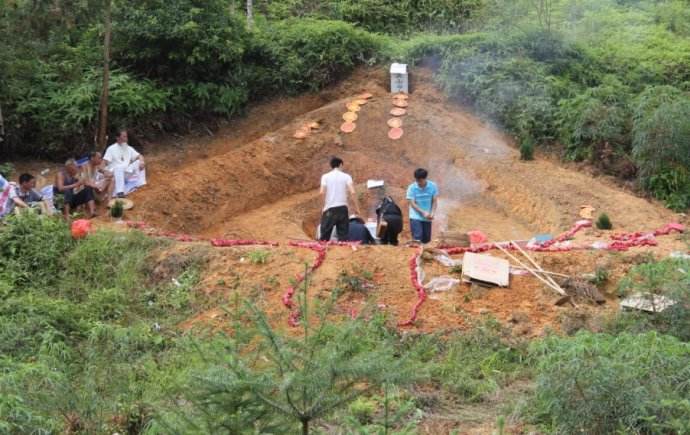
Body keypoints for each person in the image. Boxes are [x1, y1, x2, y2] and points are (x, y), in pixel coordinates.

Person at [319, 156, 361, 241]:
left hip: (330, 209)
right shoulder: (347, 176)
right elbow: (352, 192)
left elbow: (321, 192)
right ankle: (344, 252)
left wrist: (323, 207)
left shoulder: (325, 176)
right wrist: (357, 208)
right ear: (340, 164)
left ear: (331, 166)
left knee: (324, 236)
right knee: (343, 237)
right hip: (343, 208)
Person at [103, 129, 146, 198]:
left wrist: (141, 162)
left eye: (126, 137)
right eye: (124, 137)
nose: (126, 139)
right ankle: (120, 192)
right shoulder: (111, 149)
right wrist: (105, 171)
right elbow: (104, 161)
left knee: (139, 162)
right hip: (115, 173)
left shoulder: (129, 148)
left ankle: (141, 183)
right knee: (119, 167)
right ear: (117, 138)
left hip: (126, 172)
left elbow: (139, 156)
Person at [406, 168, 438, 244]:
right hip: (415, 216)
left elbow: (434, 201)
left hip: (427, 217)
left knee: (426, 239)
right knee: (418, 237)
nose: (418, 182)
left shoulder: (433, 186)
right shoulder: (412, 187)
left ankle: (424, 255)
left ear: (425, 178)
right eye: (417, 180)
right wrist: (423, 212)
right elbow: (412, 203)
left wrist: (432, 213)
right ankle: (416, 255)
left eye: (420, 180)